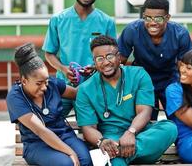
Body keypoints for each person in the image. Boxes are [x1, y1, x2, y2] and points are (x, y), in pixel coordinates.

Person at [76, 35, 177, 166]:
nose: (106, 62)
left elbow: (145, 112)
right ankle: (118, 153)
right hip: (111, 139)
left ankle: (119, 152)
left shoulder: (138, 75)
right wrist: (102, 141)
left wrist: (131, 132)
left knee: (169, 128)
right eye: (99, 58)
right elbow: (88, 127)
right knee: (115, 162)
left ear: (119, 57)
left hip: (140, 135)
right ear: (94, 62)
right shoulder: (85, 89)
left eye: (110, 56)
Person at [42, 0, 117, 116]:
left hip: (94, 88)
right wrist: (64, 69)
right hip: (63, 87)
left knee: (91, 130)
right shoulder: (58, 19)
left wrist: (96, 67)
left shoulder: (107, 21)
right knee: (50, 122)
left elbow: (113, 56)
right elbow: (49, 53)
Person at [6, 43, 92, 166]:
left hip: (64, 136)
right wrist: (70, 152)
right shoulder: (15, 97)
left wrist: (97, 73)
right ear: (24, 81)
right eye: (39, 83)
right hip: (37, 144)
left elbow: (77, 93)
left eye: (46, 81)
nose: (45, 87)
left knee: (85, 160)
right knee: (66, 164)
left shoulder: (52, 84)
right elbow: (41, 131)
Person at [118, 0, 192, 119]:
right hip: (142, 80)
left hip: (170, 79)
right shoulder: (132, 30)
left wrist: (186, 92)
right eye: (148, 18)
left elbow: (185, 67)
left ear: (167, 18)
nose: (152, 23)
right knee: (146, 121)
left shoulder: (180, 33)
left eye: (158, 18)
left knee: (177, 120)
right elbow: (119, 61)